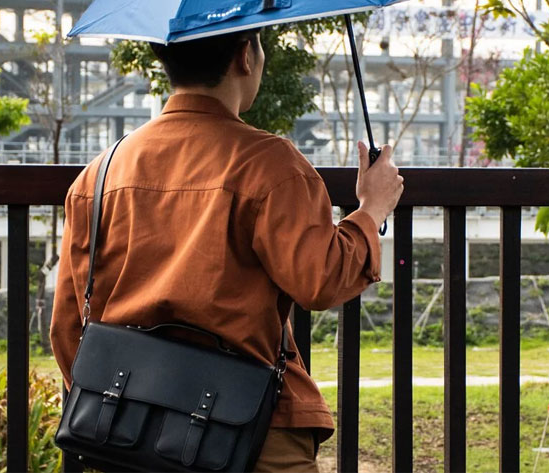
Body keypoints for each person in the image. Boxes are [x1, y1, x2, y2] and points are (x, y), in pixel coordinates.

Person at [50, 28, 404, 472]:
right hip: (249, 429)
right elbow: (321, 279)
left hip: (127, 434)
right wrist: (371, 209)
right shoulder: (269, 164)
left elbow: (67, 326)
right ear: (244, 57)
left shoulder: (99, 175)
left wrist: (128, 403)